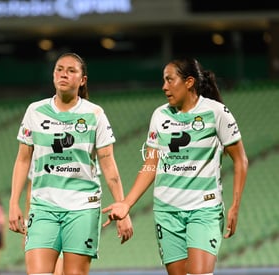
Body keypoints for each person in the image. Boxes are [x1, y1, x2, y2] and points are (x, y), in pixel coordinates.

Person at [103, 57, 248, 275]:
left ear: (189, 82)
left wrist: (235, 206)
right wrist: (126, 204)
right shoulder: (160, 115)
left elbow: (241, 160)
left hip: (204, 209)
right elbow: (150, 164)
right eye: (163, 81)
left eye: (170, 80)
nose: (164, 87)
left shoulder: (217, 112)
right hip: (167, 211)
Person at [9, 52, 133, 275]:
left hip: (82, 208)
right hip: (43, 207)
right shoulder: (34, 111)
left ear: (82, 80)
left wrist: (122, 208)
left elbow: (109, 166)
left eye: (71, 70)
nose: (63, 74)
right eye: (59, 69)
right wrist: (13, 203)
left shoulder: (95, 114)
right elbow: (22, 159)